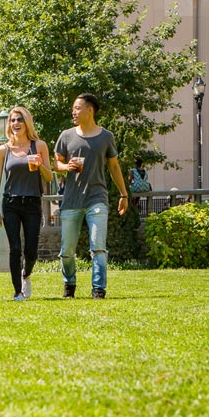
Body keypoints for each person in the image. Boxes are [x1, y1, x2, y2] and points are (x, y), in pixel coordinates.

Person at [54, 93, 129, 300]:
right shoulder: (66, 136)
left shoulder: (106, 137)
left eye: (77, 108)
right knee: (67, 250)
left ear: (90, 110)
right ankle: (69, 284)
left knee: (98, 246)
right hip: (71, 200)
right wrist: (65, 167)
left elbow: (114, 166)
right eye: (73, 108)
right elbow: (56, 164)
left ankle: (98, 289)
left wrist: (124, 194)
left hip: (97, 197)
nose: (73, 112)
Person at [0, 106, 52, 302]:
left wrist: (40, 165)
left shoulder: (39, 146)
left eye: (20, 120)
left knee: (31, 250)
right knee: (15, 248)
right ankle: (17, 292)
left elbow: (49, 177)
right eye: (13, 120)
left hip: (32, 202)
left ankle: (27, 274)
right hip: (11, 203)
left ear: (27, 123)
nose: (16, 123)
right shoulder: (3, 150)